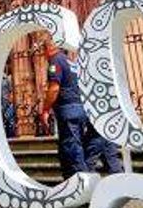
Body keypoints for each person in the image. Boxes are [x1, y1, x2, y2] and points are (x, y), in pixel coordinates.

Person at [42, 41, 123, 178]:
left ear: (50, 47)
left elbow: (54, 88)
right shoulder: (71, 62)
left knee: (72, 148)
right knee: (81, 146)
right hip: (82, 109)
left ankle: (81, 183)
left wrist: (45, 109)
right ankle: (83, 178)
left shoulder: (56, 60)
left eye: (43, 48)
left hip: (69, 110)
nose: (43, 54)